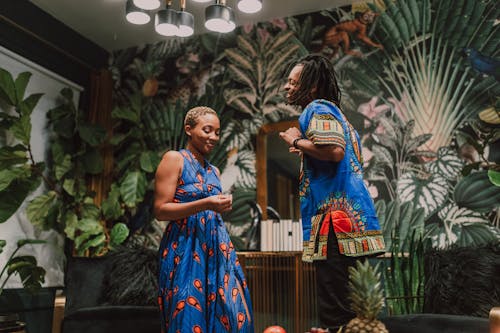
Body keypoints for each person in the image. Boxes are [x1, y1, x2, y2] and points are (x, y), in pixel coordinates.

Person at [279, 54, 385, 332]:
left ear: (312, 86)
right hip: (348, 223)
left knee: (335, 310)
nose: (286, 87)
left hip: (335, 226)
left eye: (292, 82)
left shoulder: (317, 107)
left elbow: (335, 152)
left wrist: (297, 140)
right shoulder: (338, 116)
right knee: (353, 310)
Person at [154, 106, 254, 333]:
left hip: (217, 249)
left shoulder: (214, 171)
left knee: (233, 312)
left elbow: (210, 210)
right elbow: (160, 210)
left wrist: (218, 208)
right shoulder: (174, 159)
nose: (213, 137)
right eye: (207, 130)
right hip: (185, 249)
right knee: (188, 316)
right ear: (188, 129)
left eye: (217, 132)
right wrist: (207, 204)